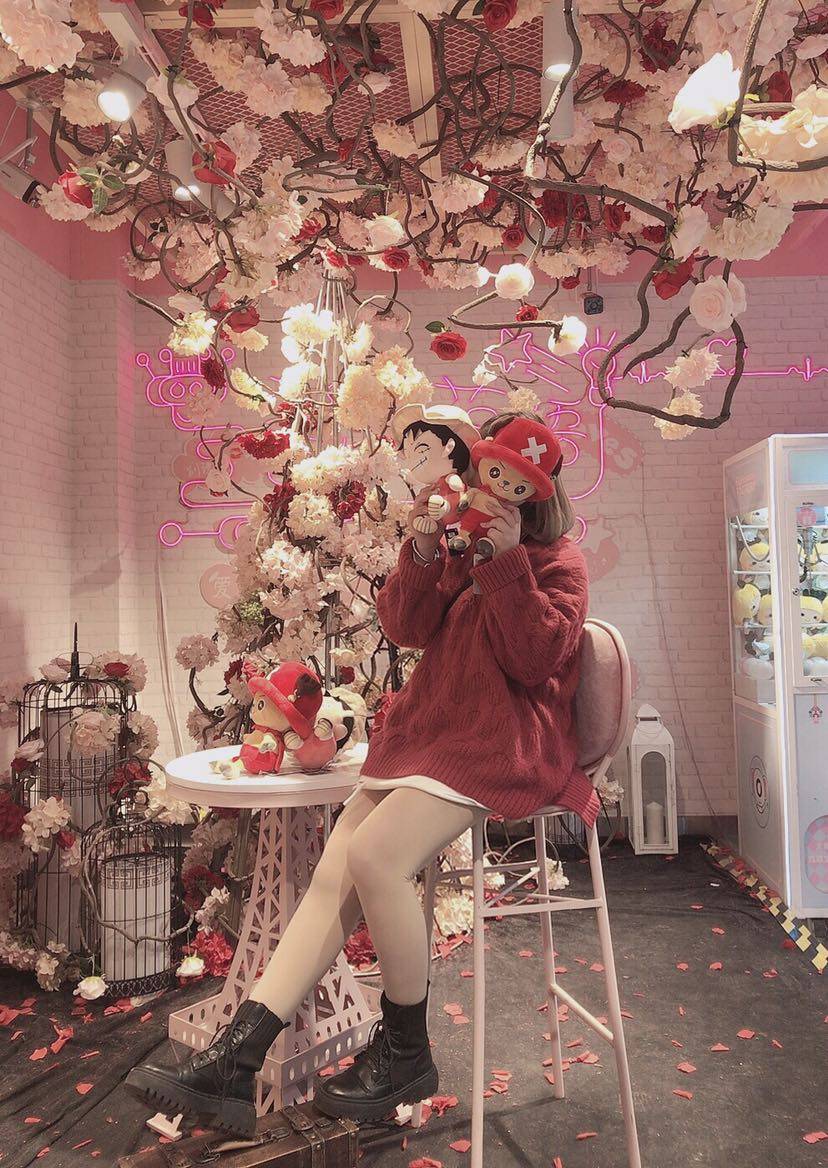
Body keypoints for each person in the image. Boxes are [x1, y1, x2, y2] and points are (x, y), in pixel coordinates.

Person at [125, 410, 596, 1138]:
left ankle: (406, 1051)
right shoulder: (459, 543)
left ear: (538, 490)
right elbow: (406, 629)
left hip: (497, 744)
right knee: (335, 872)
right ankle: (235, 1058)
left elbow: (534, 661)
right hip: (430, 732)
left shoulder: (558, 562)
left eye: (509, 477)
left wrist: (506, 565)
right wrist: (422, 551)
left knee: (375, 857)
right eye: (483, 469)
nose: (490, 484)